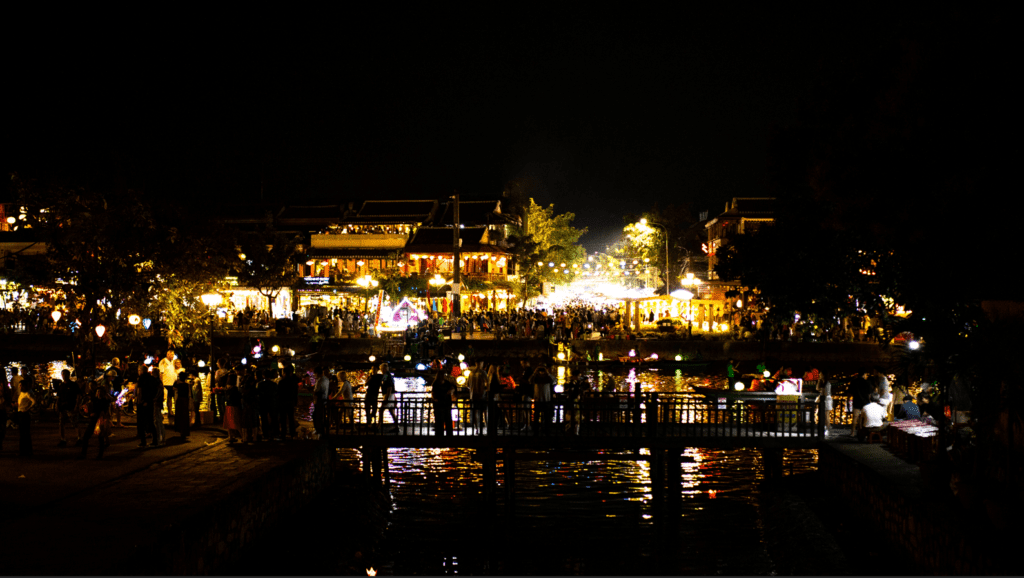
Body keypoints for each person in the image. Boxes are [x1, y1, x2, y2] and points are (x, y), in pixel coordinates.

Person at [80, 383, 113, 459]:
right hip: (93, 421)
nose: (98, 393)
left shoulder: (105, 401)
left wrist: (96, 413)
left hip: (100, 421)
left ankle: (100, 454)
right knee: (86, 437)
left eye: (100, 392)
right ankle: (83, 453)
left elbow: (104, 411)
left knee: (100, 438)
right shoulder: (94, 400)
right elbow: (88, 408)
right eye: (97, 392)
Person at [56, 369, 82, 447]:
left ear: (69, 375)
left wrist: (77, 405)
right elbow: (58, 397)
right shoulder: (61, 386)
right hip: (63, 407)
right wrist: (58, 406)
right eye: (63, 374)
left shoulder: (74, 385)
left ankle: (79, 438)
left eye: (66, 374)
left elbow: (78, 396)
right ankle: (63, 439)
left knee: (75, 423)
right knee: (62, 424)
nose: (64, 376)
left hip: (71, 406)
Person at [136, 364, 160, 447]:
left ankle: (143, 441)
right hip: (150, 402)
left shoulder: (141, 378)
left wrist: (140, 401)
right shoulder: (152, 378)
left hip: (143, 402)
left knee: (142, 422)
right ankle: (155, 440)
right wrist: (153, 398)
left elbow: (139, 390)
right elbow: (157, 389)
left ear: (141, 371)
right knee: (151, 421)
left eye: (139, 370)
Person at [430, 365, 456, 437]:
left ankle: (441, 435)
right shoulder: (439, 384)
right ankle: (444, 435)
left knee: (443, 420)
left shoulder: (438, 383)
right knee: (442, 420)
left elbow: (433, 393)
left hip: (443, 404)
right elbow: (433, 393)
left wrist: (451, 390)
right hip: (442, 404)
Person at [530, 365, 555, 435]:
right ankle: (541, 430)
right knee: (542, 416)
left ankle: (538, 431)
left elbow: (554, 380)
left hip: (542, 399)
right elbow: (530, 380)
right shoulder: (537, 378)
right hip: (543, 399)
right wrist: (535, 373)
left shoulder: (545, 378)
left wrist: (536, 372)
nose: (541, 372)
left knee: (540, 416)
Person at [277, 365, 300, 439]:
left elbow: (279, 393)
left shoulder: (281, 382)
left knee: (283, 418)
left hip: (283, 402)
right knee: (291, 418)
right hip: (291, 401)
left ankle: (283, 433)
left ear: (284, 373)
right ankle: (292, 433)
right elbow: (296, 393)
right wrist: (295, 402)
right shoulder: (293, 382)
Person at [256, 369, 279, 440]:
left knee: (264, 419)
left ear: (263, 376)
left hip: (263, 403)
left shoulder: (260, 384)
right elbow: (276, 394)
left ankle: (265, 433)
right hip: (272, 402)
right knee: (274, 418)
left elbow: (258, 394)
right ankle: (275, 433)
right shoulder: (274, 384)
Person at [849, 370, 873, 437]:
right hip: (865, 403)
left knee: (855, 417)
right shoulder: (867, 382)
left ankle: (852, 432)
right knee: (863, 418)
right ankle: (862, 433)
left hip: (856, 401)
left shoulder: (854, 382)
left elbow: (850, 392)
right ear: (864, 374)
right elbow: (869, 394)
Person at [467, 360, 487, 434]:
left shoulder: (471, 373)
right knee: (484, 411)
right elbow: (487, 383)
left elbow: (467, 384)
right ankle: (486, 426)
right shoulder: (483, 372)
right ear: (481, 363)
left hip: (473, 395)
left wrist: (472, 389)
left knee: (475, 412)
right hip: (481, 395)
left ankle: (476, 428)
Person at [222, 370, 243, 443]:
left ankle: (231, 437)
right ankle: (243, 436)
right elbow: (238, 397)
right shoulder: (234, 388)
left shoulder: (227, 388)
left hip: (228, 406)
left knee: (229, 422)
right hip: (234, 406)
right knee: (237, 422)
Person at [15, 383, 35, 456]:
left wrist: (27, 408)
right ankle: (24, 450)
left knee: (25, 432)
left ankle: (25, 450)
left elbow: (33, 401)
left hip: (24, 414)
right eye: (19, 385)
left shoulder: (27, 393)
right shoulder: (22, 393)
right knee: (23, 432)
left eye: (21, 385)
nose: (20, 387)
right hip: (20, 412)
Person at [378, 363, 398, 430]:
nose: (381, 370)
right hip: (390, 395)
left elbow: (389, 387)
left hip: (388, 395)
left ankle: (379, 426)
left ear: (383, 369)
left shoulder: (386, 376)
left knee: (381, 410)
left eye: (381, 369)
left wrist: (386, 398)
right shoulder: (387, 375)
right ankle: (396, 426)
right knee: (391, 411)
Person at [158, 350, 177, 418]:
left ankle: (170, 412)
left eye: (173, 354)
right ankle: (159, 412)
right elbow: (161, 373)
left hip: (171, 383)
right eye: (171, 354)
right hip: (165, 383)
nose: (173, 356)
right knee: (163, 398)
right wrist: (161, 383)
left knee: (170, 398)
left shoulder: (172, 362)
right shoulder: (163, 361)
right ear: (168, 354)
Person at [173, 371, 191, 441]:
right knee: (185, 417)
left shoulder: (178, 384)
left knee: (179, 416)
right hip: (185, 400)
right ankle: (184, 432)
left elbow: (173, 388)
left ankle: (180, 430)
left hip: (180, 400)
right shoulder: (187, 384)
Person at [312, 366, 330, 436]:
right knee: (321, 415)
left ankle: (318, 430)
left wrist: (313, 393)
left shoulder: (319, 380)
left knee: (316, 416)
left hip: (319, 400)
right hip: (325, 399)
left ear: (317, 373)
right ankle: (321, 430)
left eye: (315, 374)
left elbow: (316, 391)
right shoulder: (326, 379)